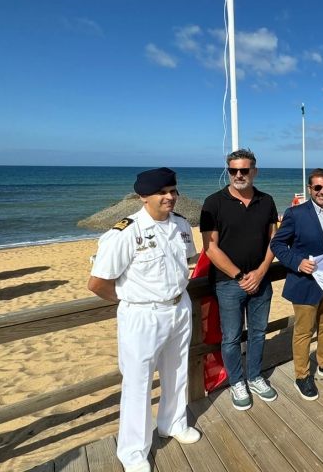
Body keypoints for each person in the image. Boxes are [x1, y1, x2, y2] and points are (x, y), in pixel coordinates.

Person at [88, 168, 200, 472]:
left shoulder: (181, 226)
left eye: (173, 191)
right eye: (162, 192)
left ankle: (173, 424)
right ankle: (134, 453)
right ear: (143, 197)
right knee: (137, 385)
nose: (170, 197)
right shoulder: (124, 232)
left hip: (178, 307)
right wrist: (129, 301)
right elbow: (97, 283)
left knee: (177, 371)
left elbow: (187, 260)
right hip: (142, 315)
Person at [200, 149, 279, 412]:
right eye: (233, 170)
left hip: (261, 280)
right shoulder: (213, 202)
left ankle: (254, 376)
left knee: (258, 332)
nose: (238, 175)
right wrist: (239, 275)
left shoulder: (266, 201)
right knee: (231, 336)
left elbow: (274, 239)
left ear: (254, 171)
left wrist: (260, 272)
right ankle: (237, 381)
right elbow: (210, 248)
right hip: (228, 283)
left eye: (244, 170)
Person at [270, 168, 323, 400]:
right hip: (305, 282)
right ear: (310, 189)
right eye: (318, 187)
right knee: (304, 331)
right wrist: (297, 263)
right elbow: (277, 245)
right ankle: (302, 375)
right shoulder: (295, 213)